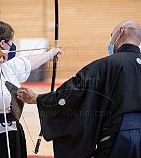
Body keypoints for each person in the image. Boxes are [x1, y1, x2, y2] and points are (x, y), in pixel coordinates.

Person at [17, 20, 141, 158]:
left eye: (112, 35)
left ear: (121, 31)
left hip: (120, 138)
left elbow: (75, 92)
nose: (110, 41)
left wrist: (38, 99)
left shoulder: (107, 64)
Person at [0, 19, 61, 158]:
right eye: (11, 42)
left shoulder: (7, 67)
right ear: (3, 43)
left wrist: (50, 54)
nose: (13, 46)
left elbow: (28, 62)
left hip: (12, 137)